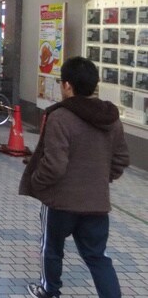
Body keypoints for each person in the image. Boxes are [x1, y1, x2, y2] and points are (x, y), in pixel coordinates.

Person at [19, 56, 130, 298]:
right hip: (97, 203)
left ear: (68, 85)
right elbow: (121, 160)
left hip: (60, 202)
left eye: (61, 82)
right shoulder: (111, 119)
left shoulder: (61, 117)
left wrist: (37, 182)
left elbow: (55, 165)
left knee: (52, 249)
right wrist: (100, 179)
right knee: (97, 257)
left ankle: (50, 291)